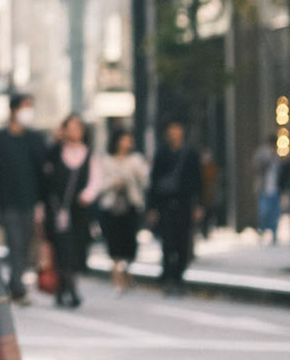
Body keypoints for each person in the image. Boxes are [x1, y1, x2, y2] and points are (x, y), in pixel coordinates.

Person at [0, 92, 48, 304]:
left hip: (30, 201)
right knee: (14, 243)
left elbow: (43, 172)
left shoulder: (35, 139)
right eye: (25, 106)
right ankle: (17, 287)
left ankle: (16, 282)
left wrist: (43, 202)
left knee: (25, 245)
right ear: (13, 110)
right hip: (7, 202)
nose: (28, 111)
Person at [88, 126, 148, 292]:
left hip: (131, 206)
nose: (126, 143)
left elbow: (145, 181)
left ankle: (126, 271)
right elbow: (98, 184)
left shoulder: (136, 160)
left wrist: (131, 176)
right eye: (123, 139)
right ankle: (118, 279)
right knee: (113, 242)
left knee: (129, 243)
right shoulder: (106, 161)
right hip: (110, 206)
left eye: (129, 139)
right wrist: (113, 183)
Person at [41, 113, 92, 308]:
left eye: (77, 128)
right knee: (62, 249)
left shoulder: (88, 153)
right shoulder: (55, 153)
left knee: (77, 248)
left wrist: (87, 195)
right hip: (57, 209)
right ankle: (69, 289)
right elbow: (45, 180)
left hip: (79, 211)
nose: (74, 132)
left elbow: (96, 179)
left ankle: (66, 287)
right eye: (69, 128)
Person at [147, 118, 204, 294]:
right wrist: (152, 207)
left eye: (177, 128)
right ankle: (168, 277)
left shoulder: (191, 153)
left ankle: (178, 277)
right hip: (165, 204)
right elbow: (154, 181)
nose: (174, 132)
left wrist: (199, 205)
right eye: (171, 129)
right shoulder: (161, 153)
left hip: (185, 203)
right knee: (167, 242)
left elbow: (198, 180)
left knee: (183, 243)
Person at [251, 137, 283, 245]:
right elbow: (256, 166)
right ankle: (262, 230)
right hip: (264, 188)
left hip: (276, 189)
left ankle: (274, 234)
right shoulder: (262, 154)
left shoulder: (278, 156)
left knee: (275, 213)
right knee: (264, 211)